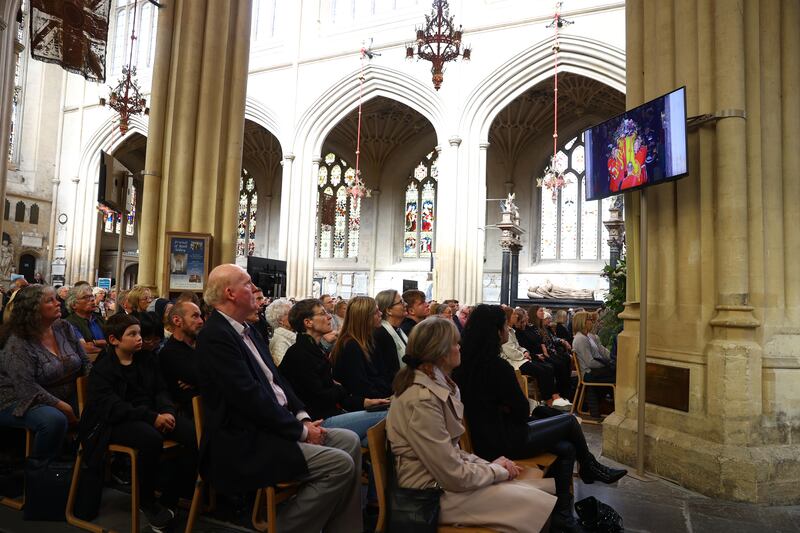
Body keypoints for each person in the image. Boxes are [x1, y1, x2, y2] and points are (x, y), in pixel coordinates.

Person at [195, 264, 363, 532]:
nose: (256, 290)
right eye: (249, 284)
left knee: (350, 440)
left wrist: (303, 418)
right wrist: (300, 432)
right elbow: (247, 399)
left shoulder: (248, 330)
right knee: (338, 464)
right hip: (243, 439)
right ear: (230, 293)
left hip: (273, 427)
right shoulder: (215, 336)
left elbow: (278, 383)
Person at [455, 305, 627, 532]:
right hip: (504, 441)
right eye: (505, 326)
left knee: (565, 446)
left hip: (485, 437)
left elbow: (513, 408)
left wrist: (507, 407)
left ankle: (562, 514)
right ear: (496, 332)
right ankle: (588, 466)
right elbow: (520, 408)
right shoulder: (497, 367)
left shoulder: (461, 365)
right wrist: (509, 407)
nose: (508, 329)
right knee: (567, 421)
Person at [387, 316, 560, 533]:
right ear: (440, 352)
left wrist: (490, 466)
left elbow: (451, 453)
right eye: (454, 343)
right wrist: (496, 471)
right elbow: (451, 473)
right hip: (430, 496)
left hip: (443, 485)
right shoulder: (420, 400)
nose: (460, 347)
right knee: (534, 504)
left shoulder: (436, 385)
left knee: (535, 494)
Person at [80, 313, 196, 531]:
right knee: (150, 438)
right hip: (114, 422)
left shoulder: (147, 359)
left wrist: (167, 411)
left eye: (139, 333)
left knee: (193, 434)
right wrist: (153, 418)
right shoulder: (104, 369)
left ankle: (170, 497)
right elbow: (114, 407)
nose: (139, 338)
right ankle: (147, 500)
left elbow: (161, 389)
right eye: (132, 334)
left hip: (151, 415)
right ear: (114, 340)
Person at [279, 298, 389, 445]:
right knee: (390, 416)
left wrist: (364, 402)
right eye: (323, 313)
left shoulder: (315, 349)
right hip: (319, 421)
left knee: (376, 437)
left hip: (332, 413)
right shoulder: (299, 354)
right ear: (308, 322)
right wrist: (340, 388)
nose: (329, 316)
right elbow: (321, 396)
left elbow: (332, 391)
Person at [0, 284, 89, 461]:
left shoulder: (63, 327)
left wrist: (92, 387)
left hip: (66, 393)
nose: (58, 303)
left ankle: (86, 465)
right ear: (33, 309)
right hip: (19, 399)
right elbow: (26, 388)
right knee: (53, 420)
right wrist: (64, 407)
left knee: (101, 406)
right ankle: (41, 471)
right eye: (50, 300)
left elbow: (85, 362)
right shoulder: (18, 341)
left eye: (57, 298)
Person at [503, 307, 567, 408]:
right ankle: (549, 400)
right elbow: (510, 351)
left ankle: (555, 396)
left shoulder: (511, 331)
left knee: (548, 367)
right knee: (541, 370)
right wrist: (524, 355)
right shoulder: (505, 331)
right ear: (507, 317)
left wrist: (525, 351)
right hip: (514, 362)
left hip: (522, 358)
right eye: (513, 314)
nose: (515, 316)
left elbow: (518, 346)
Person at [331, 296, 393, 399]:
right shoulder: (351, 346)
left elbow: (382, 374)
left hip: (380, 396)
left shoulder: (369, 340)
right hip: (365, 404)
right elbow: (360, 386)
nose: (381, 314)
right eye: (376, 312)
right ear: (365, 317)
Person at [159, 301, 204, 416]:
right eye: (195, 316)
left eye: (200, 316)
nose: (201, 321)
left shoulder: (203, 346)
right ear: (177, 321)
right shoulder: (170, 353)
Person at [572, 311, 615, 418]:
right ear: (582, 322)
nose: (592, 322)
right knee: (617, 375)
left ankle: (607, 404)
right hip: (589, 373)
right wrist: (607, 365)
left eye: (591, 319)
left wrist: (614, 358)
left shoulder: (591, 336)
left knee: (618, 370)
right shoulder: (580, 339)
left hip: (597, 370)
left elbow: (603, 352)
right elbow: (590, 362)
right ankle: (611, 405)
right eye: (589, 319)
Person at [372, 289, 406, 384]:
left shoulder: (399, 330)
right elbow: (387, 370)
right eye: (401, 302)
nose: (405, 304)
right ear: (389, 310)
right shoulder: (381, 334)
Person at [64, 284, 106, 361]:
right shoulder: (69, 323)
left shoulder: (101, 320)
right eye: (86, 297)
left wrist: (94, 343)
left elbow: (116, 341)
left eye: (91, 296)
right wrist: (106, 349)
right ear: (74, 305)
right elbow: (84, 348)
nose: (92, 299)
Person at [265, 298, 295, 366]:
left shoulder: (289, 337)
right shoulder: (280, 342)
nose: (295, 316)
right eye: (291, 313)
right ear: (280, 320)